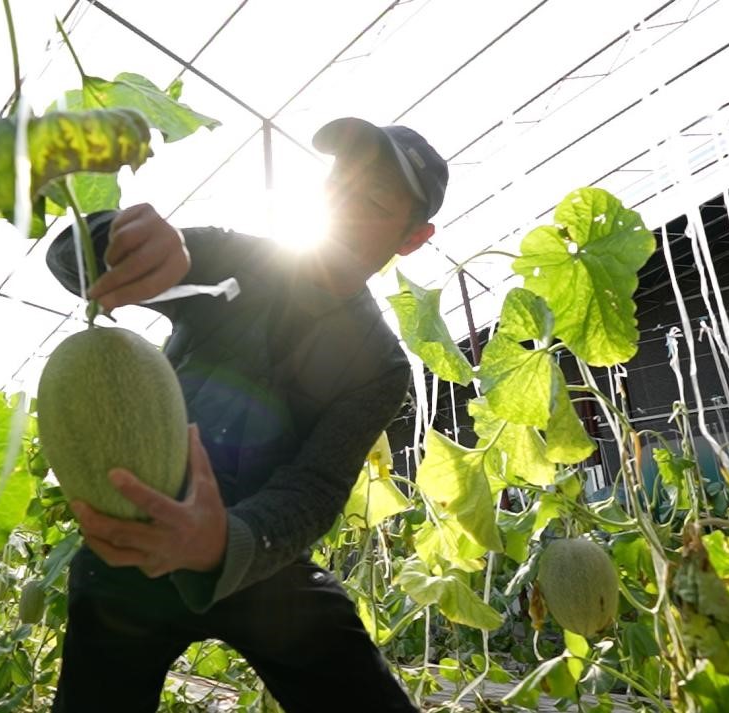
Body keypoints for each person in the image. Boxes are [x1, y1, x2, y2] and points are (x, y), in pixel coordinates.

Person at [43, 117, 448, 713]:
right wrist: (113, 240)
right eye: (340, 178)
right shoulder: (235, 256)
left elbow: (314, 490)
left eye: (374, 198)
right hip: (134, 548)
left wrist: (221, 542)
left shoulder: (382, 366)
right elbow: (70, 257)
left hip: (259, 561)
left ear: (413, 238)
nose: (341, 199)